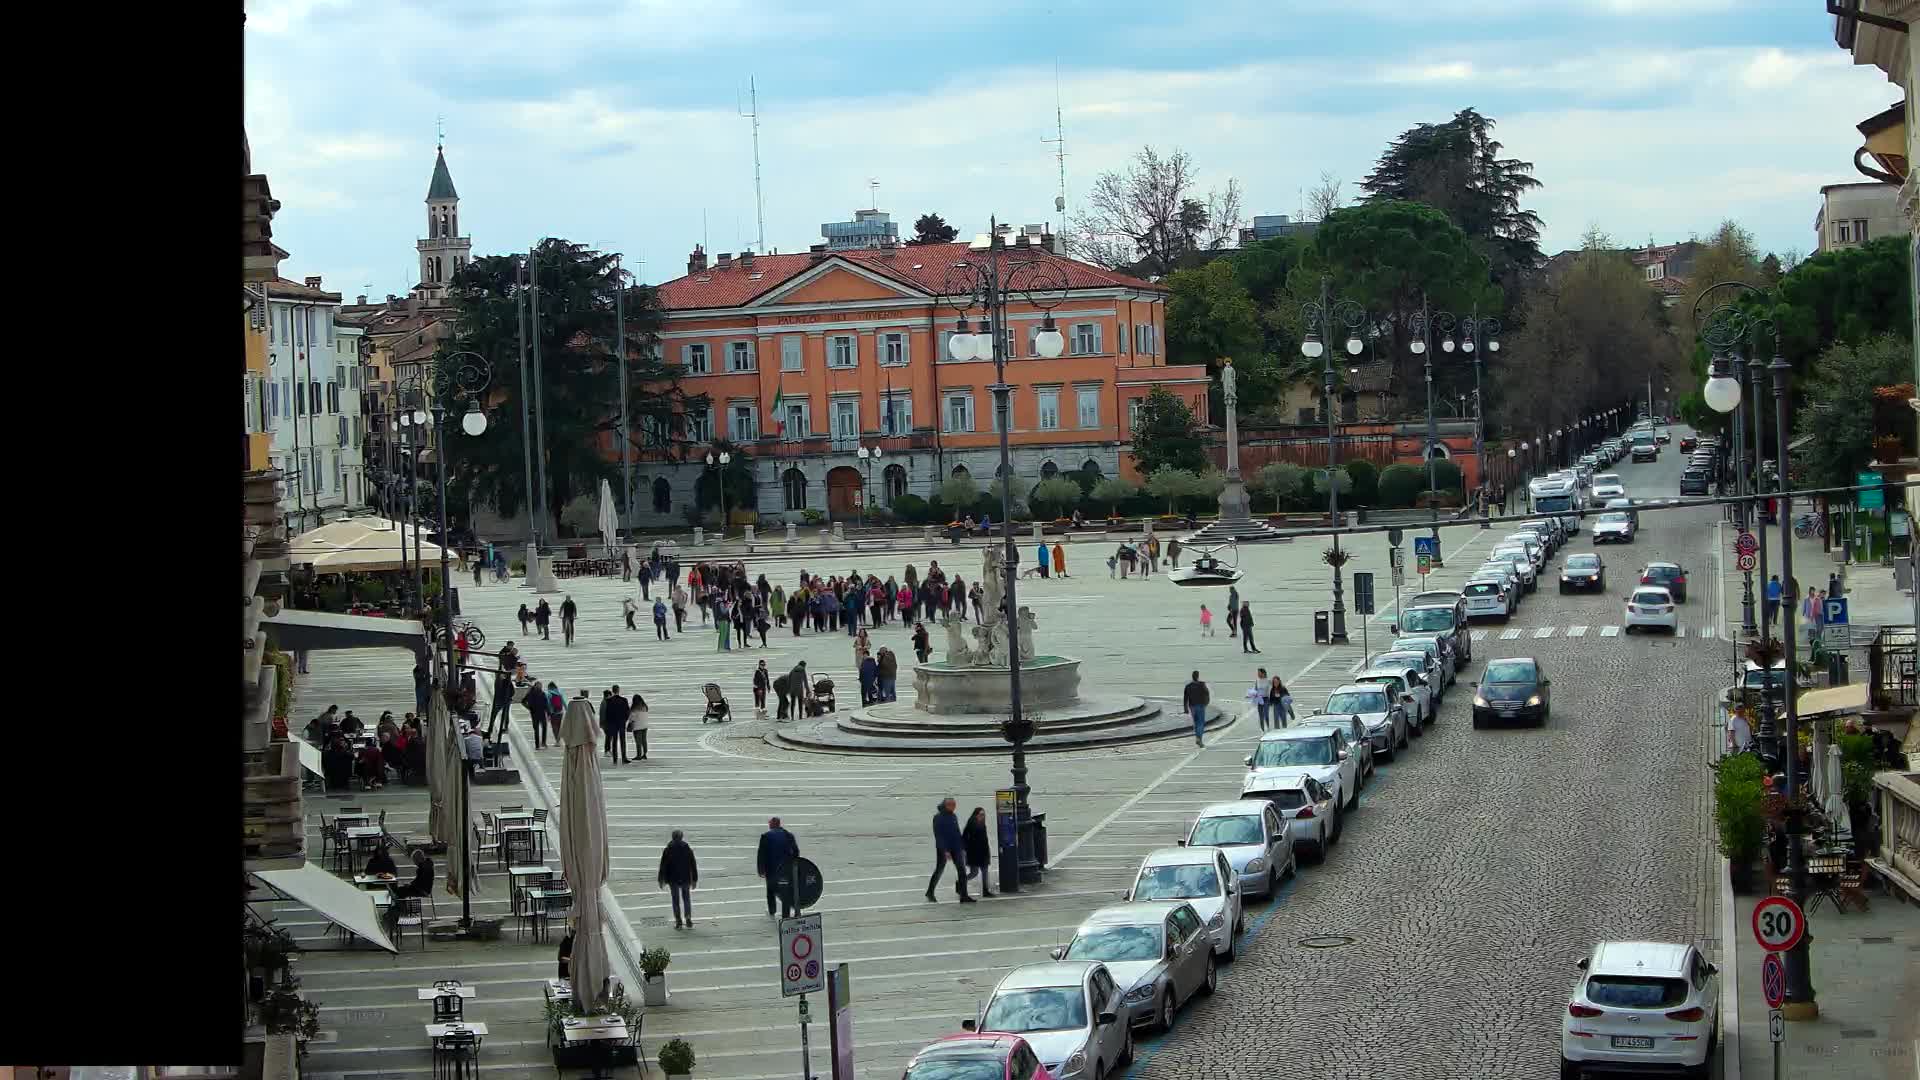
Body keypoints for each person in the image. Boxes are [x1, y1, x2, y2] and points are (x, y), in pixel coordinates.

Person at [927, 797, 973, 903]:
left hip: (956, 848)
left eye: (954, 804)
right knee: (939, 870)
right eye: (951, 805)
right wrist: (945, 850)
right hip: (944, 849)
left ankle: (964, 895)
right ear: (945, 805)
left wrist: (962, 847)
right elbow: (939, 836)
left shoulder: (953, 816)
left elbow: (956, 833)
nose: (954, 807)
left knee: (962, 870)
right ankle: (930, 892)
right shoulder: (938, 818)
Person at [756, 817, 801, 918]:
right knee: (785, 892)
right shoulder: (788, 835)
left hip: (771, 869)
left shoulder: (766, 836)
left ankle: (772, 910)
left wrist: (761, 870)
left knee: (770, 890)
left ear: (771, 825)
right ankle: (786, 915)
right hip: (785, 869)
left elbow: (761, 855)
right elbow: (796, 852)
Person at [658, 829, 699, 929]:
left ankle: (678, 921)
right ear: (682, 837)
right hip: (685, 878)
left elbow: (663, 865)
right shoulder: (687, 848)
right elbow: (693, 864)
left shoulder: (668, 849)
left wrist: (661, 879)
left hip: (673, 878)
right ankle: (688, 918)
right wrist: (694, 879)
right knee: (686, 898)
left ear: (672, 837)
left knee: (675, 900)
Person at [962, 806, 995, 898]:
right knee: (974, 872)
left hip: (983, 852)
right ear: (976, 815)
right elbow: (964, 837)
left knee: (985, 871)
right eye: (980, 814)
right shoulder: (972, 823)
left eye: (984, 815)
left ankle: (985, 891)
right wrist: (964, 850)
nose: (982, 816)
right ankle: (961, 882)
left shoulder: (982, 823)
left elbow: (984, 839)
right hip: (974, 852)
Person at [603, 685, 631, 764]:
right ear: (618, 690)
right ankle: (624, 758)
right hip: (621, 723)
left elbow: (607, 713)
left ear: (612, 691)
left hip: (613, 724)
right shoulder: (624, 700)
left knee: (614, 741)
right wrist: (624, 720)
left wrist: (608, 723)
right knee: (623, 740)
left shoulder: (609, 700)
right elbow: (627, 712)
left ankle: (615, 759)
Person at [1183, 670, 1210, 748]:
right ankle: (1199, 739)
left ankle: (1197, 737)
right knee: (1201, 723)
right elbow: (1207, 693)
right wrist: (1207, 702)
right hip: (1201, 705)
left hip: (1192, 706)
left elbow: (1185, 698)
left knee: (1196, 722)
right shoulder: (1202, 684)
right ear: (1198, 676)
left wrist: (1185, 708)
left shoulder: (1188, 686)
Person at [523, 676, 551, 750]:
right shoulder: (532, 693)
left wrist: (548, 713)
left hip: (540, 713)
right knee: (537, 729)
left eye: (540, 686)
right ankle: (538, 744)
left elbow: (546, 704)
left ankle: (542, 743)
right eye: (539, 686)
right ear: (536, 686)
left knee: (543, 728)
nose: (540, 687)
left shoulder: (542, 693)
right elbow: (523, 701)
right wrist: (528, 707)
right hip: (535, 713)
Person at [628, 692, 649, 761]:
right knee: (644, 741)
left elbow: (632, 718)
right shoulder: (645, 706)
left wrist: (630, 723)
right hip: (644, 726)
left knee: (638, 742)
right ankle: (645, 754)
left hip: (637, 727)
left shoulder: (634, 708)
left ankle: (639, 755)